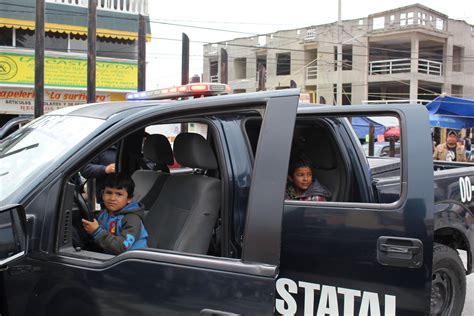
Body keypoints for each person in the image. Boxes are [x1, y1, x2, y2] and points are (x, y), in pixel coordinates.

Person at [81, 173, 148, 254]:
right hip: (111, 258)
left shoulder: (132, 219)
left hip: (133, 261)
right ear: (102, 194)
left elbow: (122, 247)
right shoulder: (103, 214)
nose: (112, 198)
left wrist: (97, 232)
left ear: (129, 199)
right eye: (109, 193)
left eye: (119, 194)